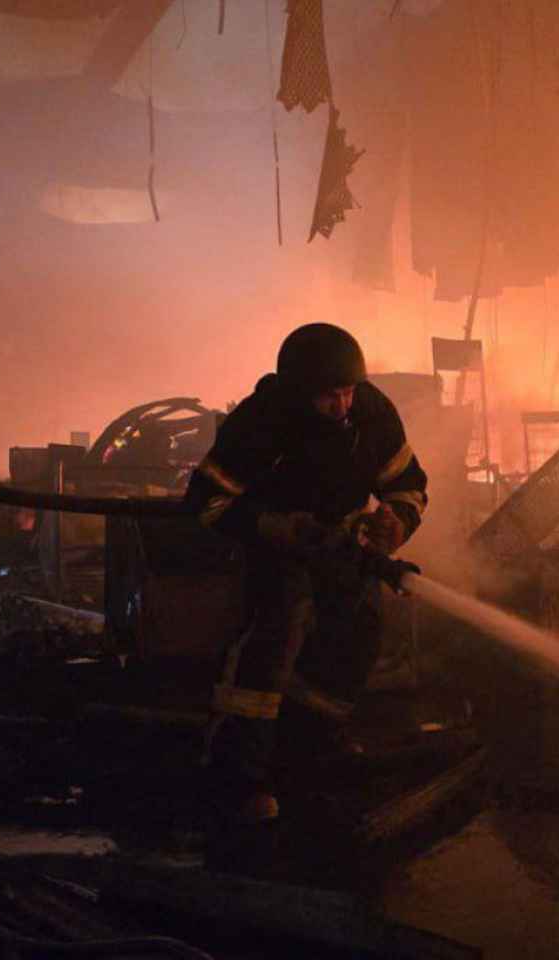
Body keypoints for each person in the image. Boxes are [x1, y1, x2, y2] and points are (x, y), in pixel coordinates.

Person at [184, 323, 429, 823]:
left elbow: (406, 482)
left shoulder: (371, 411)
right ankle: (238, 776)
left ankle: (314, 746)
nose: (341, 407)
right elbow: (206, 503)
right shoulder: (260, 425)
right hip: (276, 549)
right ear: (298, 393)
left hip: (340, 544)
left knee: (358, 636)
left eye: (347, 393)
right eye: (328, 398)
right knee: (271, 646)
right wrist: (274, 526)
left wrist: (396, 522)